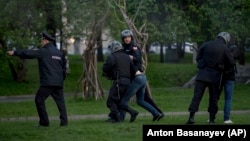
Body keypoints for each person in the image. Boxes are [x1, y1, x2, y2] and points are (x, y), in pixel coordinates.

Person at [6, 31, 68, 127]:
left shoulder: (43, 51)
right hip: (58, 82)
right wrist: (62, 79)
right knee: (60, 102)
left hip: (48, 82)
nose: (41, 43)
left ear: (46, 41)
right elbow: (64, 68)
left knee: (39, 99)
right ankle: (64, 123)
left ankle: (44, 122)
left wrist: (15, 52)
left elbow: (29, 53)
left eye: (42, 41)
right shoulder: (59, 53)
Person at [186, 31, 235, 124]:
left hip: (201, 75)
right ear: (226, 39)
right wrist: (223, 68)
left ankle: (191, 118)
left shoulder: (205, 44)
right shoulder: (225, 48)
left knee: (196, 97)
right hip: (215, 77)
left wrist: (202, 65)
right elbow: (231, 63)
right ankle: (211, 119)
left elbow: (198, 57)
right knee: (213, 99)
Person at [119, 29, 164, 122]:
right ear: (123, 39)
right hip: (141, 78)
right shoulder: (125, 48)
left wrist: (129, 57)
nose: (127, 39)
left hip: (137, 78)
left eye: (128, 37)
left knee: (123, 100)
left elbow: (137, 59)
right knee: (140, 100)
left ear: (131, 37)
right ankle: (157, 113)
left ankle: (120, 119)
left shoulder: (134, 47)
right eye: (125, 38)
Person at [102, 40, 134, 123]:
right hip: (128, 81)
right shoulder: (127, 56)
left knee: (110, 101)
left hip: (119, 82)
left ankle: (117, 117)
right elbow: (132, 68)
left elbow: (106, 68)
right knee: (118, 101)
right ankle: (131, 113)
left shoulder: (112, 56)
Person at [219, 34, 239, 124]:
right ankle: (226, 118)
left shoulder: (222, 48)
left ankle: (211, 117)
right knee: (228, 98)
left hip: (220, 75)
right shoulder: (234, 49)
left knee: (215, 97)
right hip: (230, 76)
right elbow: (234, 59)